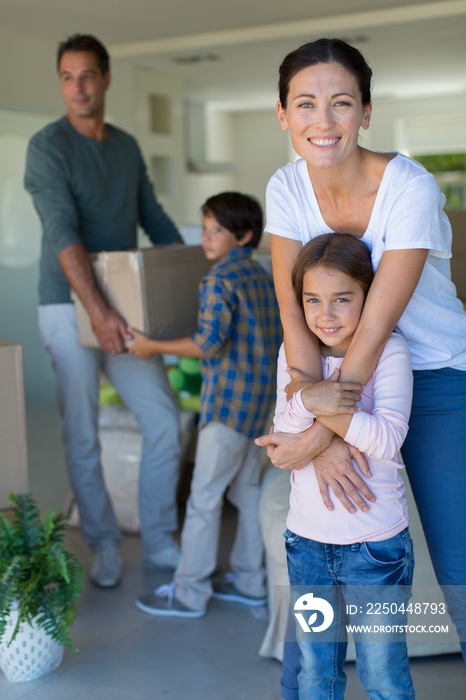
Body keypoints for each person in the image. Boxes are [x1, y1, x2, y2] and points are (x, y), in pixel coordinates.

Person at [255, 37, 466, 689]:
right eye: (306, 104)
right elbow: (295, 312)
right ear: (283, 115)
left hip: (430, 379)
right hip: (324, 381)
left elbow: (375, 326)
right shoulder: (286, 187)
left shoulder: (408, 185)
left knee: (459, 570)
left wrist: (322, 433)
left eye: (342, 103)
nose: (324, 122)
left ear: (366, 112)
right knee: (310, 578)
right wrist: (310, 410)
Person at [24, 34, 183, 588]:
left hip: (125, 302)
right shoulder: (48, 147)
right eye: (67, 77)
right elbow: (62, 233)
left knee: (162, 419)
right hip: (66, 304)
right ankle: (104, 542)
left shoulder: (126, 147)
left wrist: (202, 273)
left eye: (88, 75)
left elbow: (155, 221)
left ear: (107, 78)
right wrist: (94, 309)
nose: (78, 87)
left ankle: (160, 538)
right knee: (82, 432)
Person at [129, 192, 282, 617]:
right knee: (247, 491)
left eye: (217, 229)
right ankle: (251, 582)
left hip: (228, 407)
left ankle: (191, 592)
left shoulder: (218, 280)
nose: (206, 237)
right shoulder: (263, 276)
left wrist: (150, 346)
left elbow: (208, 342)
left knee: (204, 499)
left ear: (244, 235)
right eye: (205, 227)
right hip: (261, 407)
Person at [276, 232, 415, 698]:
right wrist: (309, 399)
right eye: (312, 300)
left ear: (369, 295)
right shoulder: (293, 354)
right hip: (307, 546)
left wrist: (312, 400)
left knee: (383, 679)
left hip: (375, 550)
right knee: (316, 675)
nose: (326, 314)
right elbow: (283, 439)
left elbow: (387, 437)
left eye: (342, 299)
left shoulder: (390, 351)